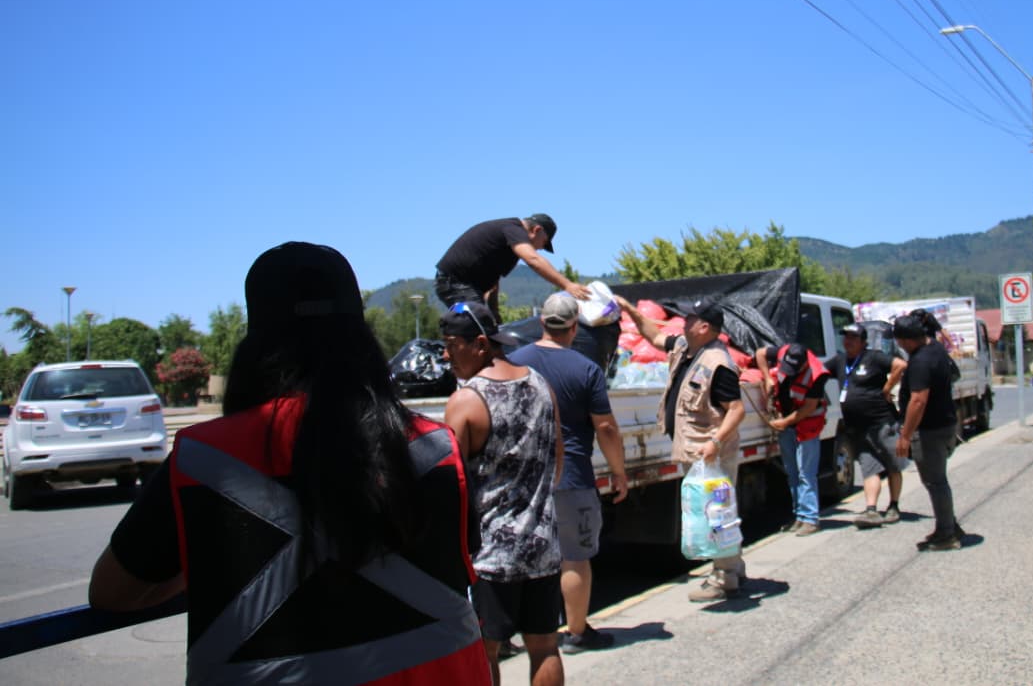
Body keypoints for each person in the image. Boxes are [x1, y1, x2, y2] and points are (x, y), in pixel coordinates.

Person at [88, 242, 489, 684]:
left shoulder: (203, 458)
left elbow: (112, 592)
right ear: (360, 334)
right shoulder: (435, 447)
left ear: (257, 339)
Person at [442, 300, 565, 686]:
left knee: (485, 650)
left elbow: (451, 483)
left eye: (451, 345)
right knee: (545, 646)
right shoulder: (541, 384)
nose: (446, 355)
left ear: (480, 343)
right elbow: (557, 457)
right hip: (543, 544)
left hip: (490, 554)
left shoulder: (467, 400)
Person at [508, 293, 629, 654]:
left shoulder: (514, 363)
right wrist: (619, 472)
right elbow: (605, 427)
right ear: (575, 328)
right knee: (574, 556)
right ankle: (577, 632)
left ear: (541, 323)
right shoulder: (586, 369)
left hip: (522, 478)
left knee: (521, 557)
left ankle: (512, 635)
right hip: (571, 475)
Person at [615, 295, 745, 603]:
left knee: (715, 513)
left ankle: (724, 578)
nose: (683, 322)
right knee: (715, 511)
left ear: (704, 327)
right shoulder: (688, 349)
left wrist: (715, 443)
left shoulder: (718, 364)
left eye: (689, 319)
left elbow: (736, 410)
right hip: (695, 450)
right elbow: (655, 336)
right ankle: (733, 568)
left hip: (710, 453)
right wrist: (631, 309)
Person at [893, 314, 965, 551]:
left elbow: (918, 401)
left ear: (906, 340)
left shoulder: (921, 361)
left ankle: (946, 534)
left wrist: (905, 435)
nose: (900, 346)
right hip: (945, 423)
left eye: (900, 341)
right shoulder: (935, 348)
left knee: (935, 481)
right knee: (937, 480)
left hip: (930, 430)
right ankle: (949, 525)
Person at [435, 215, 591, 318]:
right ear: (536, 230)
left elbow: (493, 284)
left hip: (463, 286)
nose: (541, 248)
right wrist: (567, 285)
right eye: (544, 242)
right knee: (475, 328)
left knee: (488, 328)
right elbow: (533, 259)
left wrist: (495, 316)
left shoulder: (509, 245)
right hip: (455, 284)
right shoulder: (514, 229)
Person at [754, 342, 832, 536]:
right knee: (792, 473)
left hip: (807, 426)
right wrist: (767, 378)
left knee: (806, 473)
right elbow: (760, 353)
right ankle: (799, 516)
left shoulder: (817, 375)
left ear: (805, 364)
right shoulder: (783, 352)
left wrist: (785, 422)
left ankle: (811, 519)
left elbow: (808, 407)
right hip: (787, 424)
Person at [838, 323, 908, 529]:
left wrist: (887, 388)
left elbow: (901, 365)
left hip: (881, 423)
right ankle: (871, 509)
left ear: (863, 341)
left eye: (853, 337)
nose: (848, 341)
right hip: (857, 427)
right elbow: (818, 371)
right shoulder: (840, 360)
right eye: (845, 336)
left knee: (893, 464)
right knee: (869, 467)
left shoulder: (874, 357)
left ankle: (894, 505)